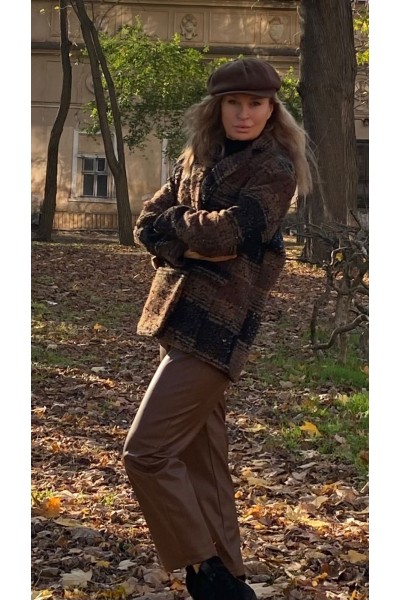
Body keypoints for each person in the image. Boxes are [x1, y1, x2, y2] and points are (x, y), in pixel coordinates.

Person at [123, 57, 314, 600]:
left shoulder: (274, 168)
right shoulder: (197, 157)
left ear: (272, 109)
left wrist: (178, 229)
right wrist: (189, 241)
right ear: (218, 107)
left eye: (256, 103)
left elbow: (229, 233)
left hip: (219, 328)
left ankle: (201, 567)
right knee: (204, 460)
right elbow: (145, 224)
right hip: (175, 318)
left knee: (145, 453)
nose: (244, 113)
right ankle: (229, 579)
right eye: (234, 102)